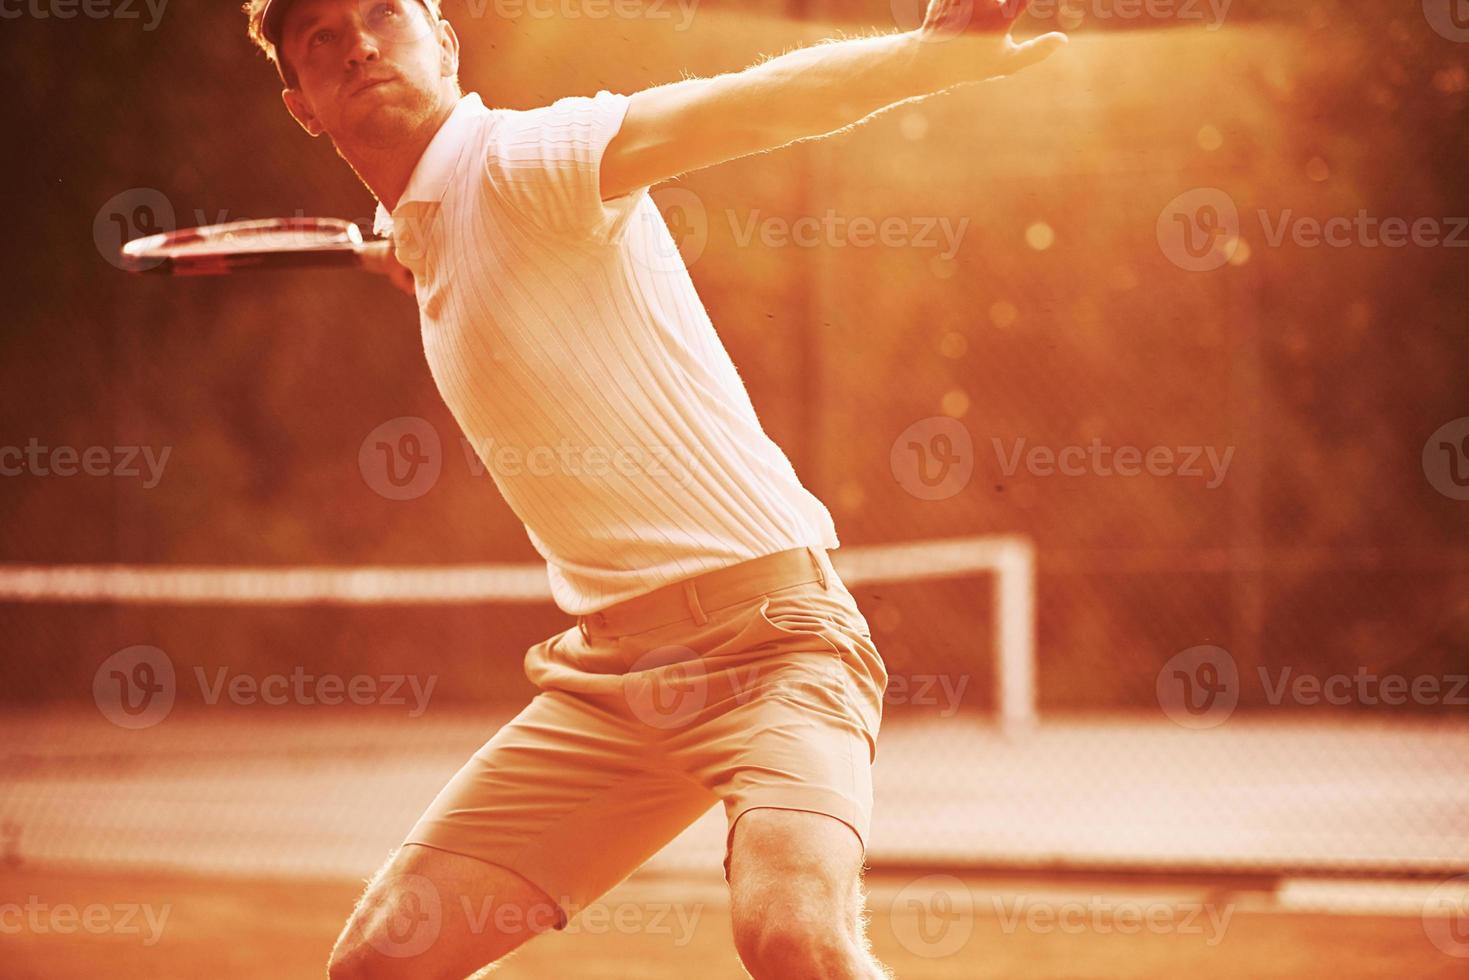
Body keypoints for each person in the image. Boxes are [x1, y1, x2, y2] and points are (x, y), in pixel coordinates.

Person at [243, 1, 1065, 976]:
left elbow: (738, 108)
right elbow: (449, 237)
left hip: (774, 640)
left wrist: (925, 60)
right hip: (610, 684)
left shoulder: (526, 160)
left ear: (447, 45)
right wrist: (404, 247)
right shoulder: (424, 230)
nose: (360, 44)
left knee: (793, 937)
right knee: (377, 965)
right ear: (304, 105)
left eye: (381, 14)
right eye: (323, 40)